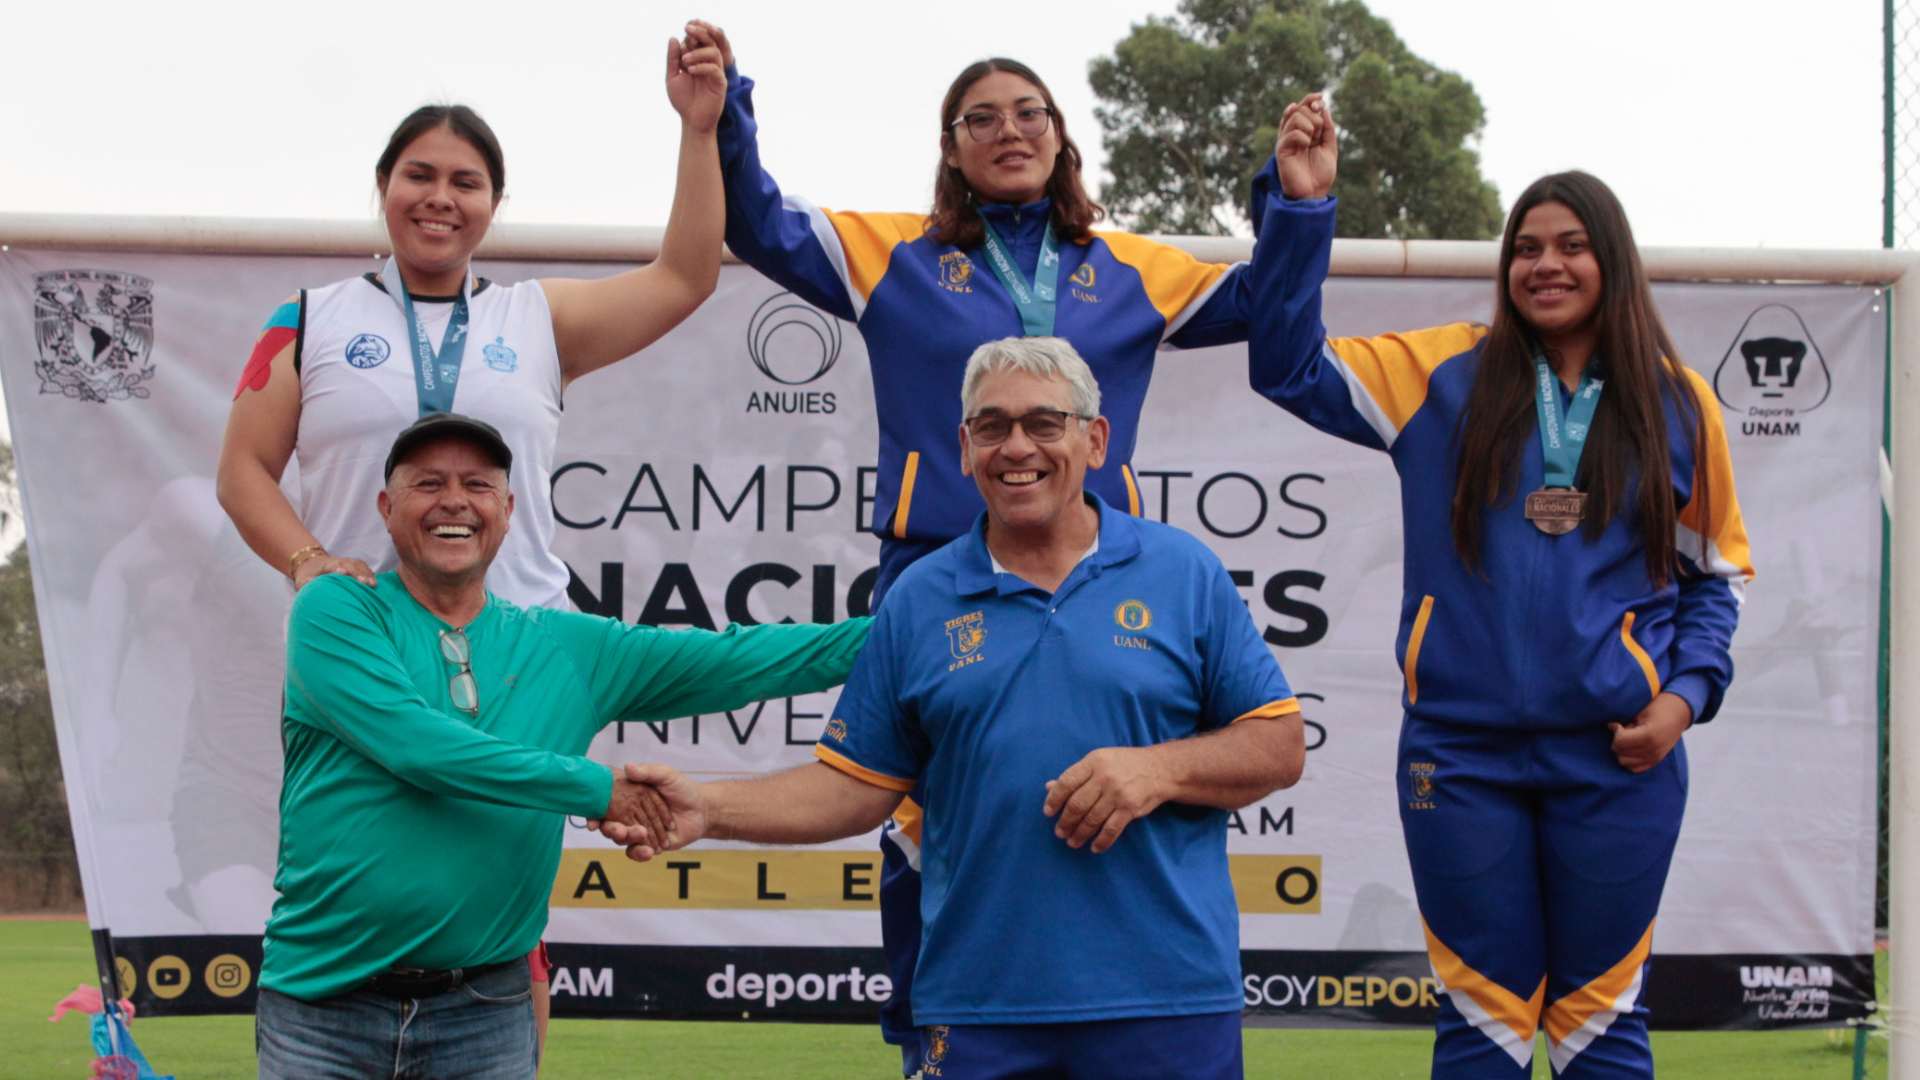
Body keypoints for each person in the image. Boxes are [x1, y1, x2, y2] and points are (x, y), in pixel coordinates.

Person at [691, 21, 1300, 1068]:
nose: (1006, 131)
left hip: (1103, 568)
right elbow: (757, 222)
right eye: (980, 118)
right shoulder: (896, 256)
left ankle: (1139, 1010)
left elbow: (1269, 304)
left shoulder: (1135, 270)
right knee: (923, 833)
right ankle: (931, 1037)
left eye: (1028, 113)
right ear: (952, 148)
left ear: (1063, 139)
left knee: (1112, 807)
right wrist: (723, 107)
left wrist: (1294, 200)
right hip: (935, 574)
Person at [215, 31, 728, 1055]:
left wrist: (698, 128)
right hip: (375, 645)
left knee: (500, 920)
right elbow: (241, 472)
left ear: (493, 203)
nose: (439, 198)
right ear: (383, 187)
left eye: (466, 180)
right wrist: (310, 559)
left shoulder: (541, 319)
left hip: (518, 641)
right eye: (419, 175)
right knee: (377, 891)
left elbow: (684, 276)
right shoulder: (308, 320)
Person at [603, 338, 1307, 1080]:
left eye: (1044, 423)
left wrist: (1158, 770)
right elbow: (855, 785)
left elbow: (1278, 743)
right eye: (992, 427)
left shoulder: (1180, 570)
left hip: (1169, 999)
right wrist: (708, 810)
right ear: (964, 448)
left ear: (1094, 440)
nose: (1016, 448)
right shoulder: (919, 598)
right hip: (978, 1006)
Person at [1248, 96, 1753, 1078]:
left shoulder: (1679, 403)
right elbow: (1286, 365)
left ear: (1612, 259)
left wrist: (1683, 704)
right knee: (1480, 1027)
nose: (1546, 265)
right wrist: (1303, 212)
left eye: (1570, 245)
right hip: (1460, 760)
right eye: (1526, 247)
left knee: (1599, 1027)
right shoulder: (1437, 374)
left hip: (1620, 763)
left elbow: (1713, 584)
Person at [254, 413, 871, 1079]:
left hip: (483, 1010)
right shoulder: (337, 610)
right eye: (428, 483)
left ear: (509, 510)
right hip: (322, 1009)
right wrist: (601, 789)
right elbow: (420, 749)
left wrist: (918, 625)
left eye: (478, 485)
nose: (454, 501)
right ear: (386, 505)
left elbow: (741, 661)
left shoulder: (568, 646)